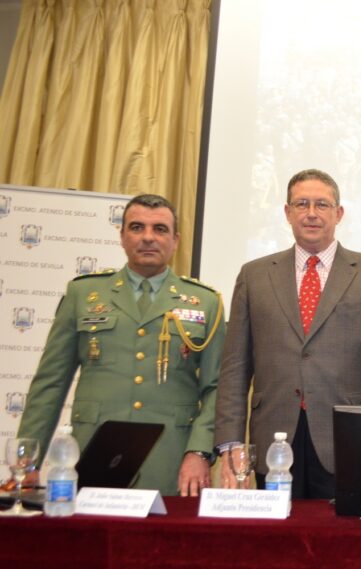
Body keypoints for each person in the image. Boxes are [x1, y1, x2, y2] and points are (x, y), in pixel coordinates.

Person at [17, 194, 224, 496]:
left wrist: (199, 452)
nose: (148, 238)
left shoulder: (205, 302)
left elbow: (217, 387)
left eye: (160, 229)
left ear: (176, 240)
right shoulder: (84, 294)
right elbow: (50, 383)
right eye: (137, 228)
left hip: (171, 459)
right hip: (94, 451)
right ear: (122, 236)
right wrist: (27, 461)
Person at [214, 169, 361, 499]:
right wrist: (230, 441)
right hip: (272, 437)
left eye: (322, 204)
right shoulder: (254, 275)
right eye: (302, 203)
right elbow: (235, 366)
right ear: (287, 212)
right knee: (273, 544)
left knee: (341, 543)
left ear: (339, 213)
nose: (312, 213)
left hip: (345, 439)